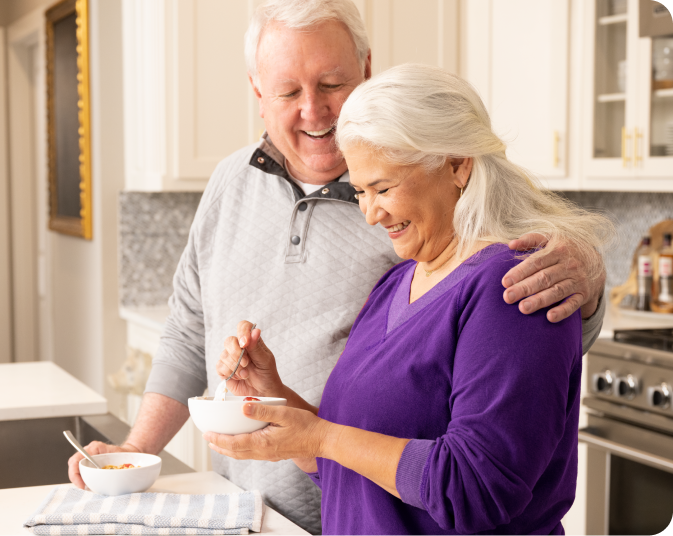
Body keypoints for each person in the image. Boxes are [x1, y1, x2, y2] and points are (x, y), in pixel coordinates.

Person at [68, 2, 606, 534]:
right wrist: (261, 403)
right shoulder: (396, 269)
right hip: (254, 511)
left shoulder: (503, 275)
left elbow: (479, 477)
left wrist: (591, 275)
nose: (314, 110)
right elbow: (194, 333)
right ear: (258, 92)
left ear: (366, 70)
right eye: (288, 91)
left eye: (331, 83)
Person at [207, 63, 614, 536]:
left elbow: (476, 488)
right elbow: (353, 463)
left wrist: (321, 436)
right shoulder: (395, 283)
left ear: (458, 166)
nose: (370, 214)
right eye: (359, 191)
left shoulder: (515, 286)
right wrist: (272, 397)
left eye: (383, 188)